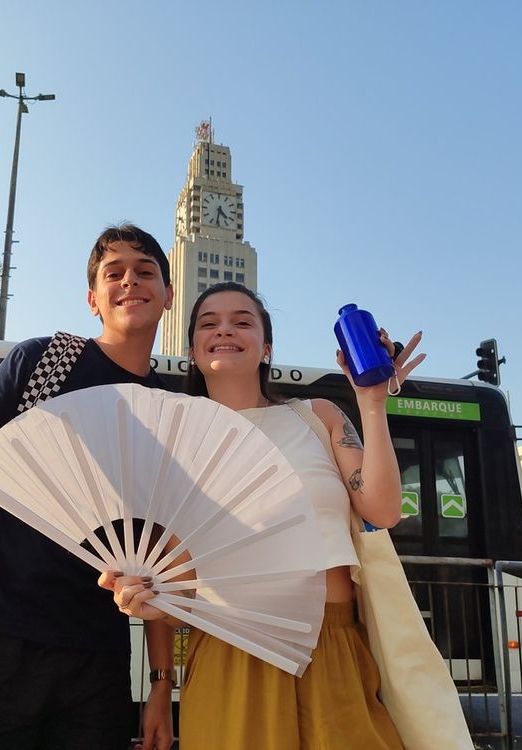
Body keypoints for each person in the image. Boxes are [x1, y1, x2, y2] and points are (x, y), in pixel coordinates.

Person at [104, 282, 425, 749]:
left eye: (242, 321)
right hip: (229, 649)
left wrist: (372, 403)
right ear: (192, 349)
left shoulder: (318, 417)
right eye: (209, 323)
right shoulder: (170, 446)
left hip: (332, 644)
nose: (225, 330)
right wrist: (150, 601)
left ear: (266, 346)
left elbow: (383, 508)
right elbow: (178, 585)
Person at [0, 225, 177, 750]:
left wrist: (161, 686)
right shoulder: (43, 360)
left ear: (168, 294)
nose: (129, 282)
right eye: (113, 274)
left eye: (145, 272)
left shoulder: (172, 408)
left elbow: (160, 551)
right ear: (93, 299)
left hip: (99, 651)